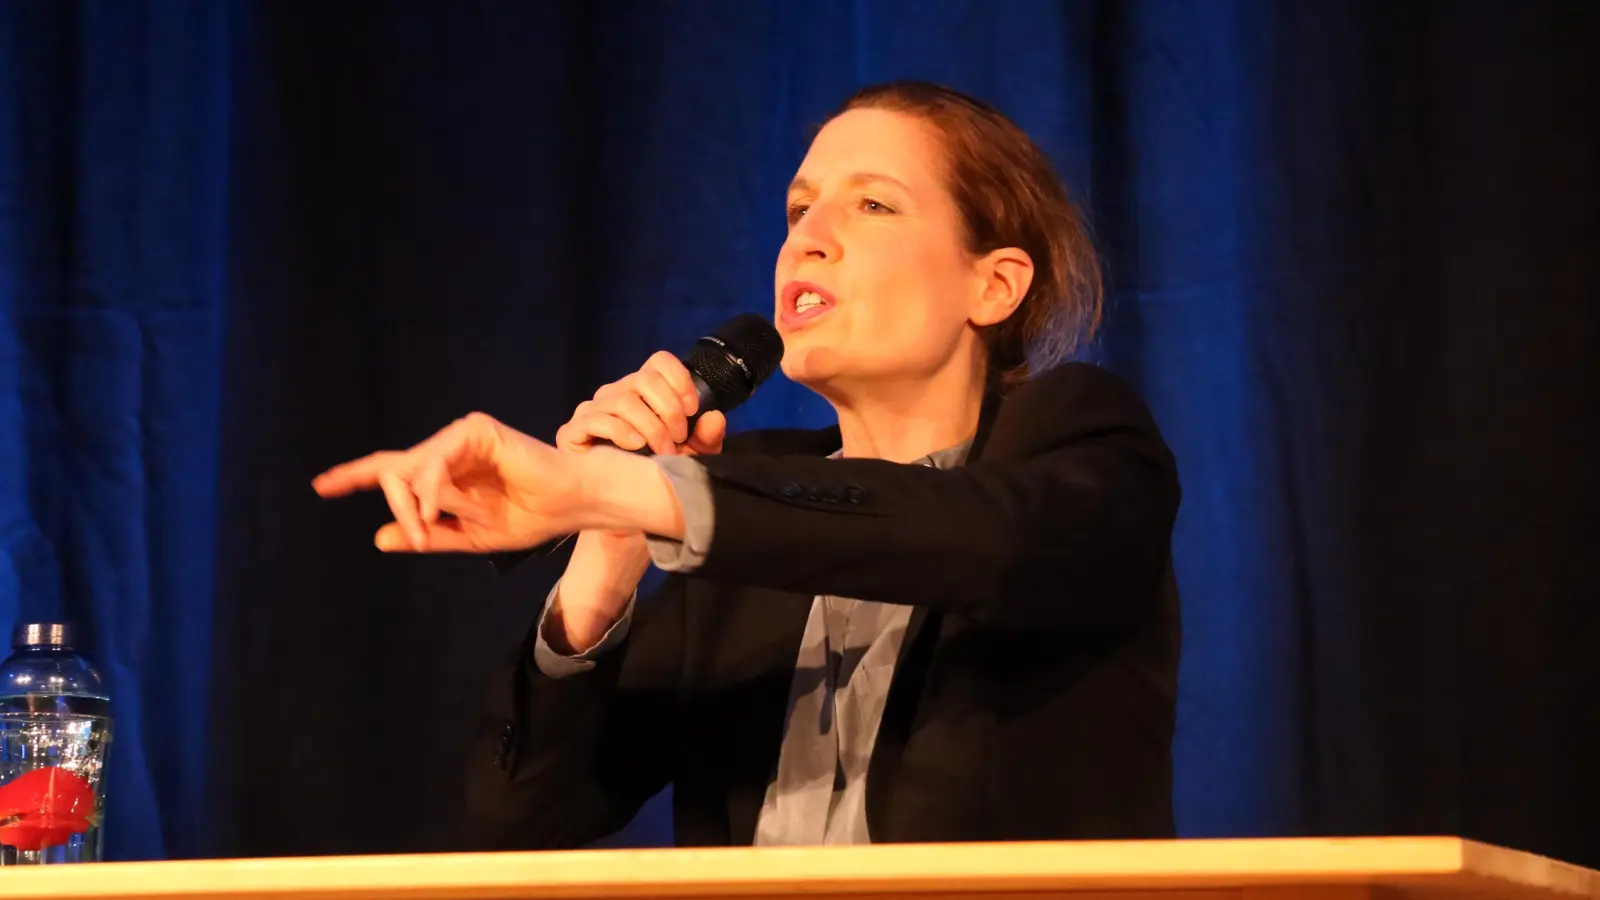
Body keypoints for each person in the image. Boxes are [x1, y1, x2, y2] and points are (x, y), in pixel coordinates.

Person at [312, 81, 1181, 848]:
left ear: (993, 286)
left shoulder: (1083, 439)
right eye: (799, 210)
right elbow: (515, 821)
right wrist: (608, 543)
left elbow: (979, 537)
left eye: (872, 206)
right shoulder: (739, 514)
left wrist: (631, 489)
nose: (809, 238)